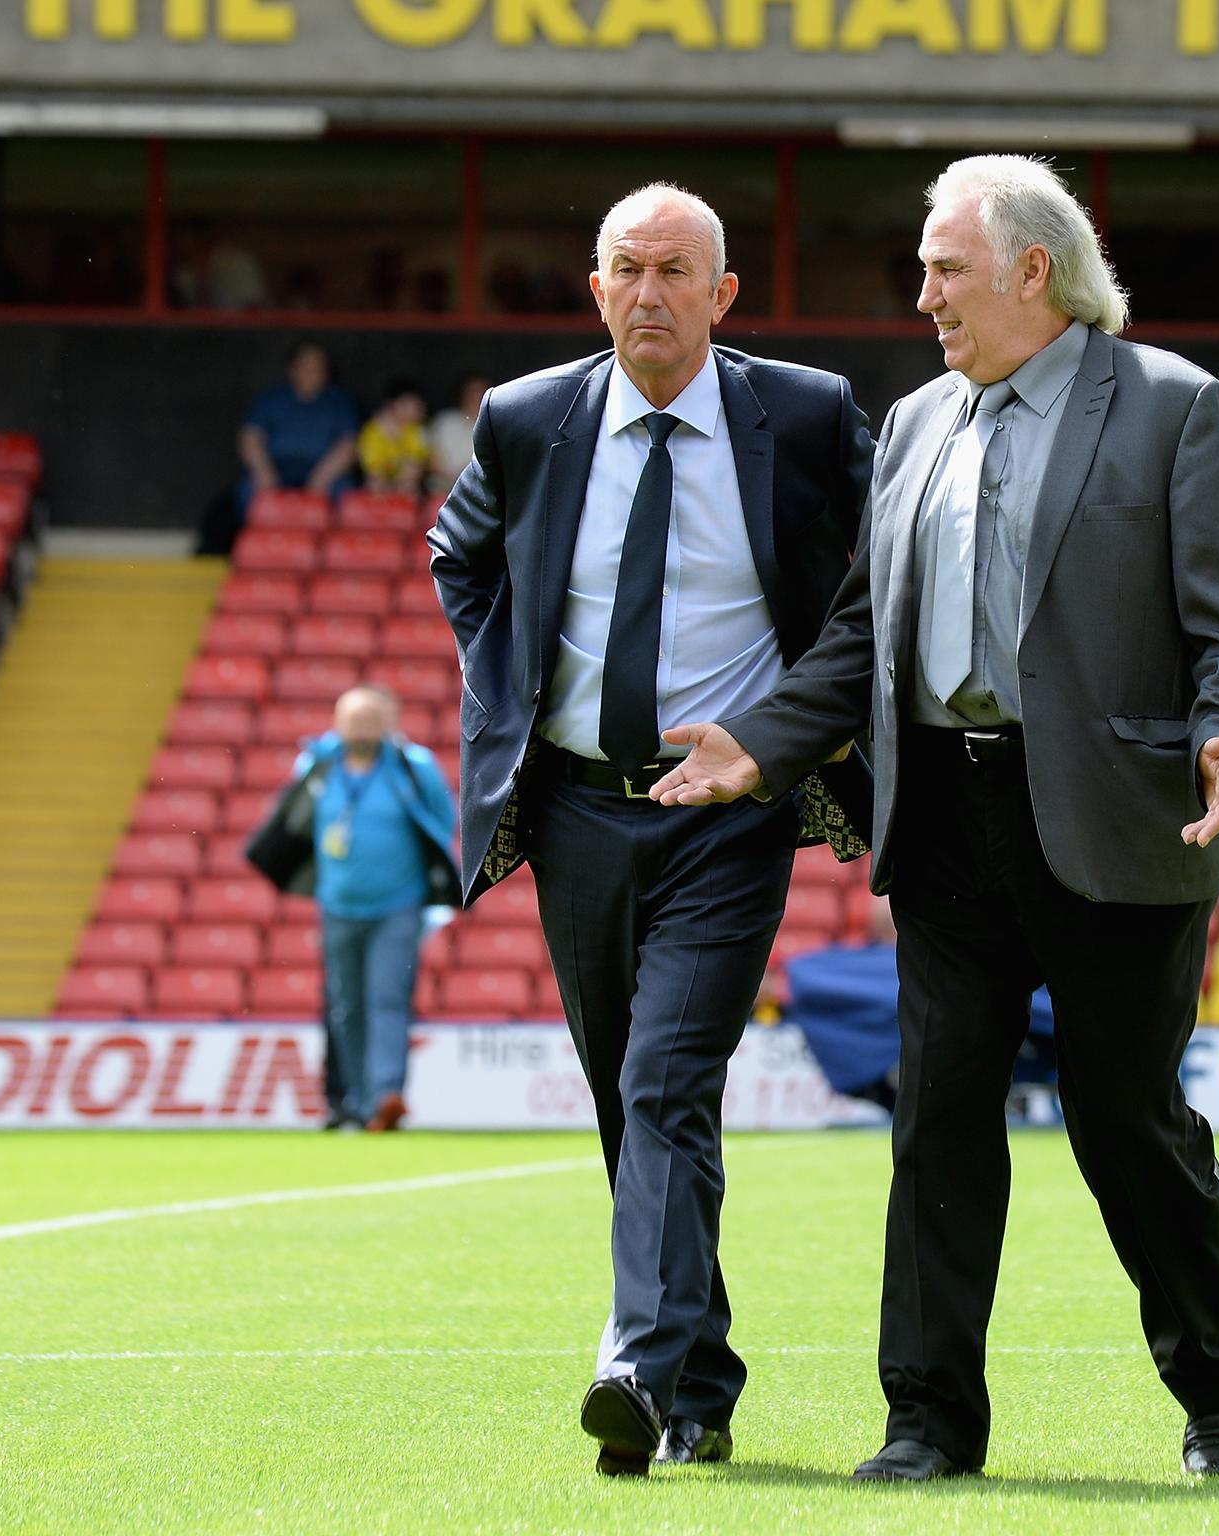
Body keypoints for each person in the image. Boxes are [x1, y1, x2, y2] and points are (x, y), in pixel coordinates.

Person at [651, 155, 1219, 1481]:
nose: (925, 293)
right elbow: (858, 636)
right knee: (935, 1121)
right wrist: (758, 745)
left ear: (1032, 273)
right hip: (943, 812)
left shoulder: (1174, 407)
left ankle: (1218, 1392)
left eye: (946, 269)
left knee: (1129, 1125)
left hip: (1119, 821)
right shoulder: (918, 423)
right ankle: (928, 1420)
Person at [425, 184, 873, 1476]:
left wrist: (789, 731)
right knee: (636, 1111)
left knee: (668, 1082)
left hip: (731, 814)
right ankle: (703, 1383)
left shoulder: (802, 416)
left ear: (724, 297)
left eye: (678, 271)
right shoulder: (527, 420)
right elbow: (460, 557)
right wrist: (508, 681)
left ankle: (634, 1358)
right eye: (628, 268)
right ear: (595, 287)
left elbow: (875, 572)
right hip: (572, 807)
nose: (650, 294)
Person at [243, 685, 456, 1132]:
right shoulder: (317, 765)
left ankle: (385, 1097)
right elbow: (292, 820)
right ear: (337, 722)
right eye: (351, 718)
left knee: (387, 999)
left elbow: (443, 817)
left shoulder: (412, 767)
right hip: (337, 905)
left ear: (388, 723)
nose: (360, 727)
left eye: (369, 718)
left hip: (400, 905)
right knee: (346, 1005)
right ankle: (354, 1101)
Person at [202, 342, 359, 555]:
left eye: (318, 368)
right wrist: (263, 471)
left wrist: (322, 477)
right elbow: (250, 437)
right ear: (292, 369)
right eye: (306, 366)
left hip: (323, 473)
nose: (312, 373)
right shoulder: (272, 399)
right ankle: (257, 553)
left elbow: (348, 444)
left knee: (345, 494)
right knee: (248, 492)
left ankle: (330, 557)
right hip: (277, 470)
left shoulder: (338, 402)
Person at [358, 377, 431, 496]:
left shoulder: (418, 430)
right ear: (394, 404)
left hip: (407, 483)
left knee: (410, 488)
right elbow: (373, 470)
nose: (419, 409)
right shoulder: (372, 430)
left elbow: (415, 465)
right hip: (380, 483)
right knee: (374, 485)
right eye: (411, 404)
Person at [428, 373, 491, 501]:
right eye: (472, 392)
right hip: (444, 494)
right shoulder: (445, 421)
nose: (476, 397)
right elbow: (432, 460)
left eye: (481, 392)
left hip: (486, 497)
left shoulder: (496, 424)